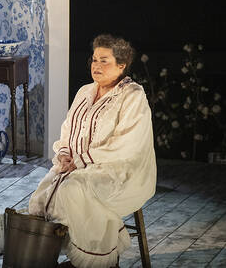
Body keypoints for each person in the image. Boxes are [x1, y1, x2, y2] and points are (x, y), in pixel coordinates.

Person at [28, 34, 156, 268]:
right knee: (41, 197)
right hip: (80, 167)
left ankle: (99, 259)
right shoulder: (85, 91)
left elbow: (127, 143)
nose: (96, 66)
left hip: (121, 171)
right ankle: (66, 259)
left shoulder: (132, 95)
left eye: (104, 60)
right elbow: (68, 129)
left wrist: (82, 160)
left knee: (74, 190)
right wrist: (65, 154)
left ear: (121, 65)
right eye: (94, 60)